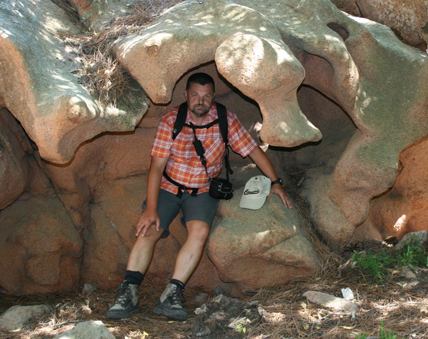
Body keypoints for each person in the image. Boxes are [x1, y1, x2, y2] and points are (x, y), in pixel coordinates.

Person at [107, 72, 292, 321]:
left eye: (206, 97)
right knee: (149, 228)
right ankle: (128, 292)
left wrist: (276, 183)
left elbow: (253, 152)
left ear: (213, 97)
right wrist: (151, 209)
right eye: (195, 95)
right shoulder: (171, 121)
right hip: (169, 187)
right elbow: (156, 168)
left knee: (200, 232)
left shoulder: (225, 119)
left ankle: (171, 293)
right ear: (186, 96)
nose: (200, 101)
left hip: (203, 190)